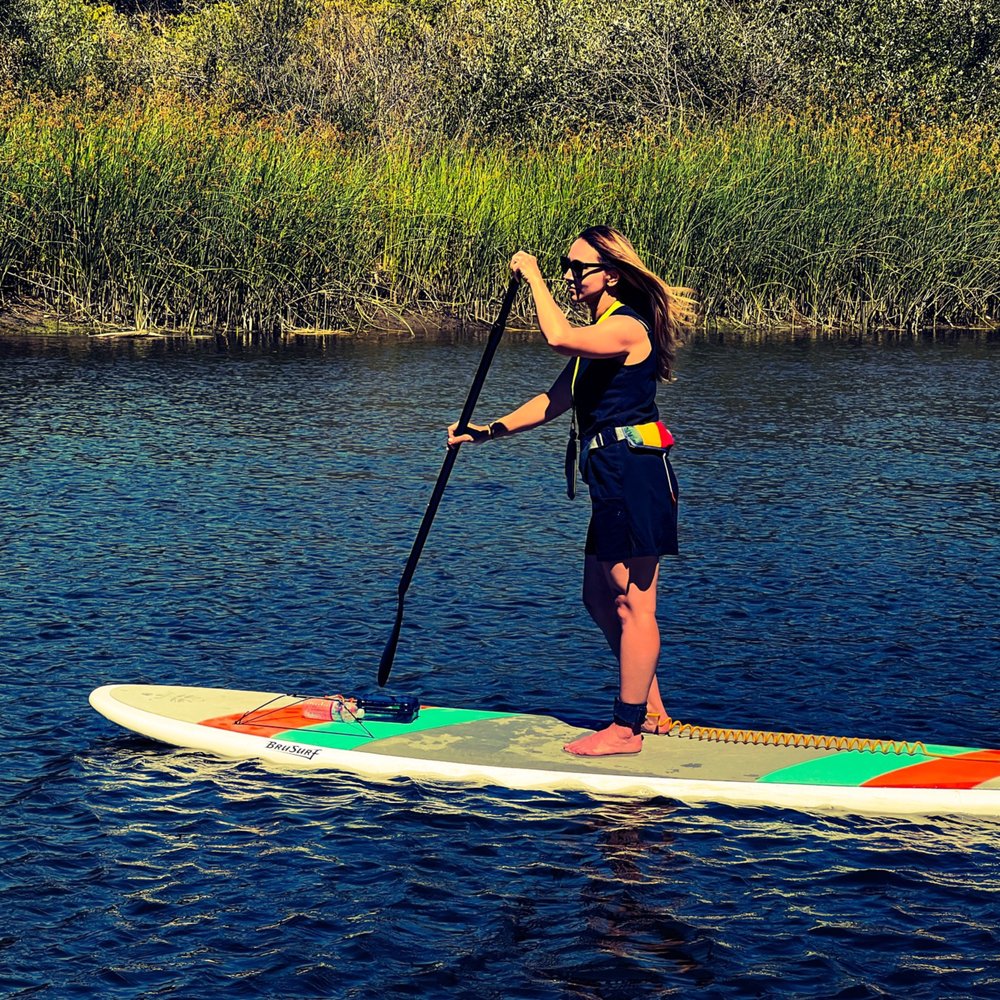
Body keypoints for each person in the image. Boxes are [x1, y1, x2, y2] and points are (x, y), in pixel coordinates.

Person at [448, 226, 697, 756]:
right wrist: (486, 431)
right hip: (608, 472)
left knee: (635, 602)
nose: (566, 275)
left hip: (635, 470)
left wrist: (533, 276)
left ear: (610, 274)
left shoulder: (626, 327)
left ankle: (626, 728)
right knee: (597, 595)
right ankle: (648, 708)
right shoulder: (598, 337)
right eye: (562, 266)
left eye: (576, 267)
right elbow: (553, 401)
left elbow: (557, 336)